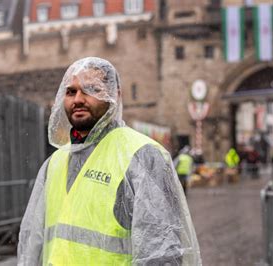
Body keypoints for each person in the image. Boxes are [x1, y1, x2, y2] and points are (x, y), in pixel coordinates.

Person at [17, 57, 201, 265]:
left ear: (115, 95)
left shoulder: (142, 156)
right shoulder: (54, 163)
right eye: (71, 91)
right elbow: (32, 246)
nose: (78, 99)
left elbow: (161, 254)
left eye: (91, 89)